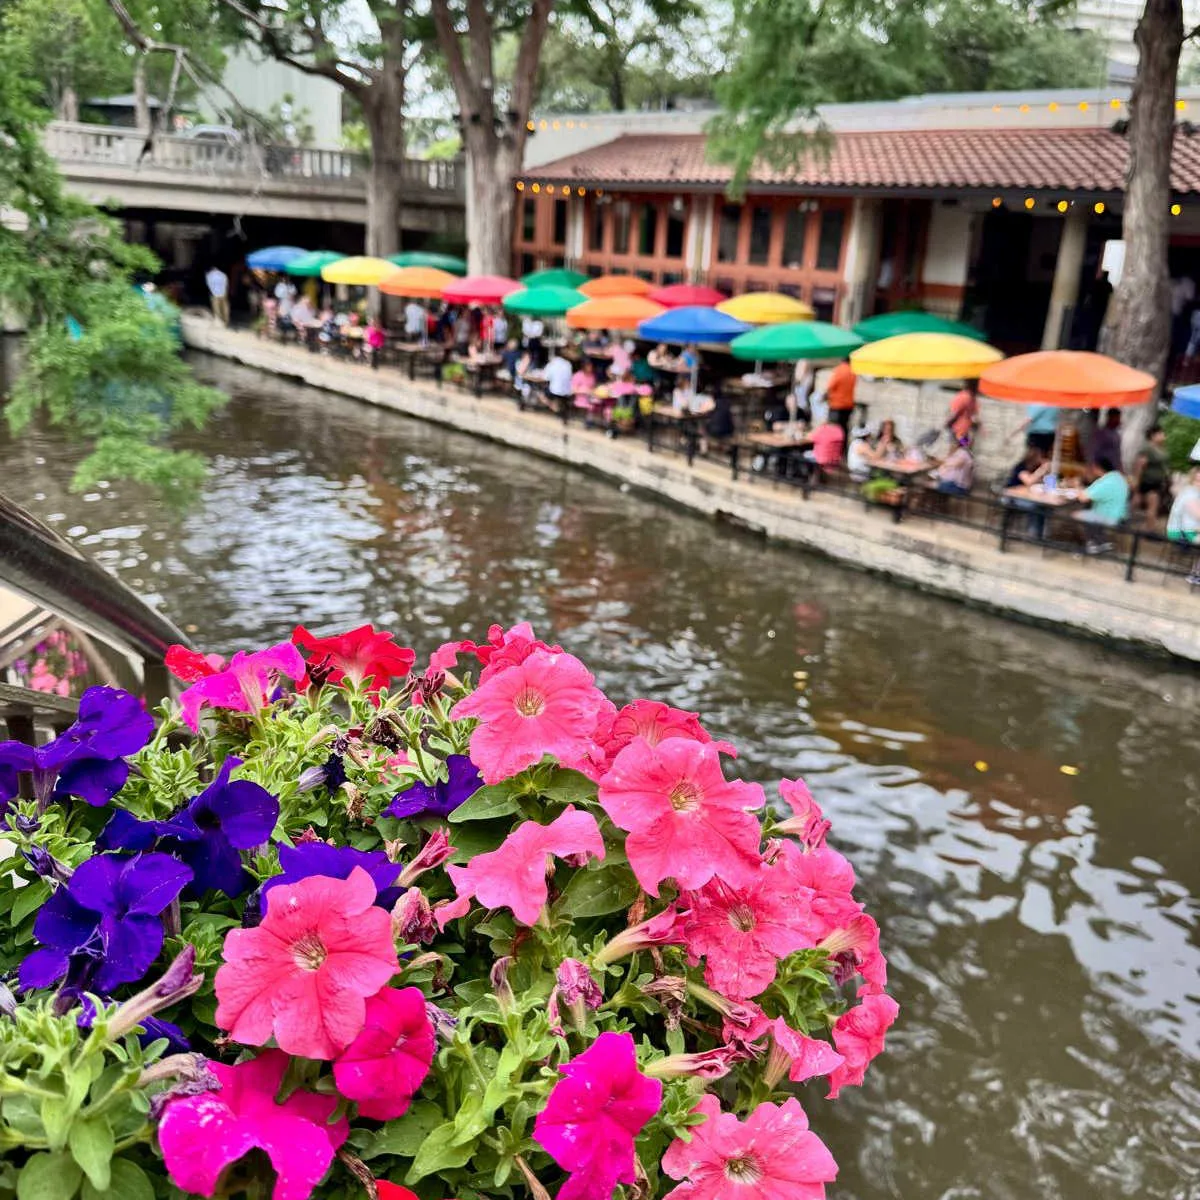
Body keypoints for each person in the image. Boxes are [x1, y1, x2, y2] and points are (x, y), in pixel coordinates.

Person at [1076, 456, 1129, 553]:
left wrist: (1077, 486)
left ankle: (1093, 544)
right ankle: (1100, 540)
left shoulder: (1106, 482)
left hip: (1109, 517)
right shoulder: (1118, 477)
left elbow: (1083, 498)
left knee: (1077, 514)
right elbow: (1093, 492)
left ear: (1097, 468)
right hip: (1121, 516)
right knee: (1088, 510)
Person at [1132, 424, 1172, 521]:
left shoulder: (1161, 449)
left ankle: (1146, 529)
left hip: (1159, 483)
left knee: (1152, 507)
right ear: (1153, 435)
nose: (1163, 435)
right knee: (1150, 507)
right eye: (1160, 433)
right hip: (1148, 483)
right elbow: (1139, 466)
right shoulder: (1148, 449)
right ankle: (1148, 531)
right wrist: (1136, 484)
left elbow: (1163, 465)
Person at [825, 358, 856, 434]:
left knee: (834, 429)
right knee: (844, 428)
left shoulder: (839, 370)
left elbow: (830, 386)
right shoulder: (852, 371)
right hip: (848, 405)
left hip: (837, 404)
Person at [946, 380, 979, 445]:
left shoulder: (963, 396)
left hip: (957, 430)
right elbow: (974, 416)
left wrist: (948, 423)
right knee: (964, 447)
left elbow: (954, 413)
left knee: (955, 449)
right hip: (965, 430)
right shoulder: (973, 398)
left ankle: (964, 446)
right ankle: (965, 445)